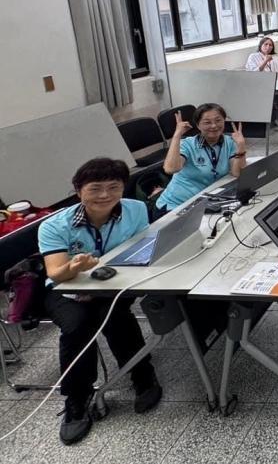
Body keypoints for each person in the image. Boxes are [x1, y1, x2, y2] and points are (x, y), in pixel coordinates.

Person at [38, 158, 163, 444]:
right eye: (95, 188)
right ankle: (77, 399)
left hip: (114, 282)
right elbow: (56, 273)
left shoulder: (135, 209)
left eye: (114, 187)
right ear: (78, 190)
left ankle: (143, 375)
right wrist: (74, 268)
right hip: (66, 288)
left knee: (115, 314)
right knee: (77, 325)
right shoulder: (55, 225)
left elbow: (143, 248)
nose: (105, 195)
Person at [156, 104, 247, 213]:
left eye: (218, 120)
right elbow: (170, 169)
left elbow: (237, 173)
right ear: (198, 125)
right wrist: (177, 135)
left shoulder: (229, 142)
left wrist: (241, 146)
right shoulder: (188, 144)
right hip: (175, 206)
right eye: (207, 122)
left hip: (203, 204)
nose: (214, 126)